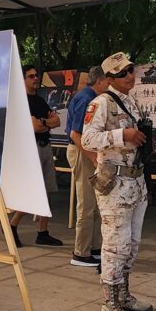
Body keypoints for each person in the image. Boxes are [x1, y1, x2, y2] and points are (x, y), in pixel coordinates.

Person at [82, 52, 153, 311]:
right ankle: (109, 307)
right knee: (115, 246)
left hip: (136, 182)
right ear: (109, 78)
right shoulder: (101, 103)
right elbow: (87, 138)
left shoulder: (132, 102)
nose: (130, 76)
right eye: (123, 73)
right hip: (115, 185)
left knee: (132, 244)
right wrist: (120, 136)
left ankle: (123, 295)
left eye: (131, 71)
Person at [9, 66, 64, 247]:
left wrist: (43, 122)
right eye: (31, 76)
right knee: (32, 191)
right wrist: (45, 123)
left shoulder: (39, 100)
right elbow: (35, 127)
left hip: (45, 146)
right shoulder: (21, 101)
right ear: (23, 79)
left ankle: (43, 231)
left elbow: (57, 121)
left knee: (47, 190)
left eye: (36, 75)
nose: (36, 78)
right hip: (29, 149)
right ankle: (12, 224)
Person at [66, 66, 108, 267]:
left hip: (84, 151)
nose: (109, 85)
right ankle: (80, 252)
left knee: (94, 203)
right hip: (82, 151)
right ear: (99, 81)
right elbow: (76, 134)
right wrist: (93, 158)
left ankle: (93, 248)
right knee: (86, 203)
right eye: (107, 80)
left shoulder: (87, 96)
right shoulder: (86, 99)